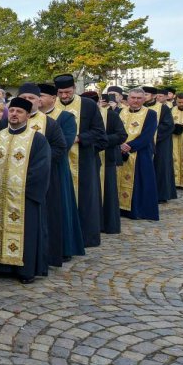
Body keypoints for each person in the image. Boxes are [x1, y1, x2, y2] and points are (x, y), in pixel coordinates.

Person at [0, 97, 52, 284]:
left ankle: (25, 270)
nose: (15, 114)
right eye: (13, 111)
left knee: (26, 232)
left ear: (27, 115)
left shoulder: (37, 139)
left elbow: (42, 168)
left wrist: (23, 188)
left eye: (19, 112)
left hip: (24, 197)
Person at [55, 74, 105, 249]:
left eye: (67, 92)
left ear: (74, 89)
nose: (64, 96)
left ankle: (85, 237)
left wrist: (78, 138)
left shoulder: (88, 105)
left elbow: (99, 132)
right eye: (60, 92)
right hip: (58, 160)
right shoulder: (51, 105)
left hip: (83, 158)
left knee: (86, 199)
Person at [39, 83, 84, 261]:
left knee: (59, 207)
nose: (39, 99)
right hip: (33, 170)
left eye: (41, 95)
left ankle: (63, 246)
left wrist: (37, 157)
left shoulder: (64, 117)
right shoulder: (29, 117)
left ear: (53, 98)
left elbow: (64, 143)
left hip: (56, 168)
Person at [116, 88, 159, 221]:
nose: (135, 100)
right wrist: (118, 144)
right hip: (119, 152)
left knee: (141, 182)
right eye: (133, 97)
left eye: (139, 98)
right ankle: (119, 208)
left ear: (144, 99)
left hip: (140, 153)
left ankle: (137, 210)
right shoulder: (119, 112)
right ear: (128, 98)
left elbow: (148, 134)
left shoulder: (150, 114)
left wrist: (130, 146)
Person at [99, 90, 128, 235]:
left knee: (108, 192)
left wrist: (103, 140)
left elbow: (122, 135)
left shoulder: (110, 115)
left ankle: (108, 224)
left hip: (107, 157)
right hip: (86, 160)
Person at [145, 87, 176, 205]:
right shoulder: (139, 108)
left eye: (146, 95)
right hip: (143, 143)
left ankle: (161, 194)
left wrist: (151, 133)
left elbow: (168, 125)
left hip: (160, 143)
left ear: (153, 96)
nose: (144, 97)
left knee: (160, 168)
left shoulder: (163, 108)